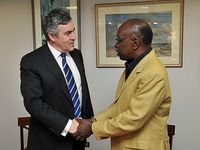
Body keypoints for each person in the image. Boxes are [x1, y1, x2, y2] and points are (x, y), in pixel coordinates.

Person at [74, 18, 172, 150]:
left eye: (119, 40)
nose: (116, 45)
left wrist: (92, 128)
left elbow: (134, 118)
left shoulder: (153, 72)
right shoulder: (134, 67)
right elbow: (118, 107)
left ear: (135, 42)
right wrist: (92, 121)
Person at [20, 8, 93, 150]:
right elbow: (33, 103)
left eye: (73, 31)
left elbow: (83, 91)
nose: (74, 37)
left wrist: (89, 123)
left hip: (79, 139)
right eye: (68, 33)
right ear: (52, 36)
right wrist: (69, 126)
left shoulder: (77, 55)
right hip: (49, 142)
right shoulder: (31, 61)